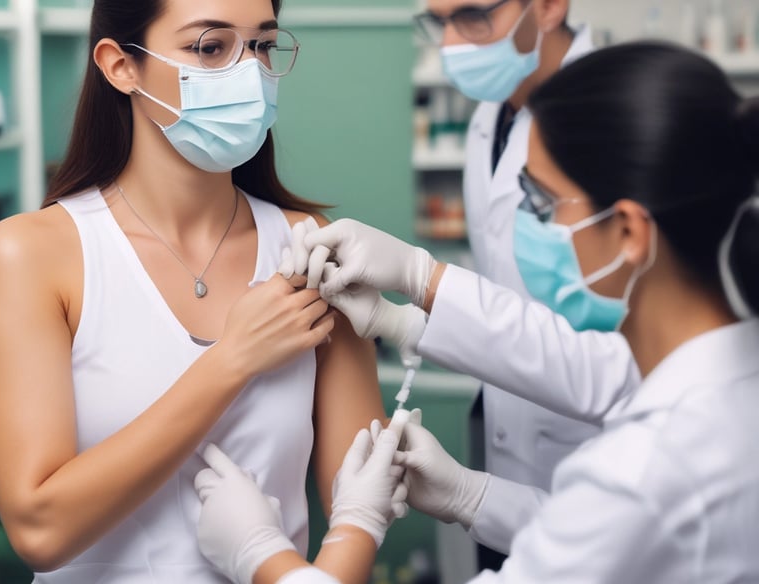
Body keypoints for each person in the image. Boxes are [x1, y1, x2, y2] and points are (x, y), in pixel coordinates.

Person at [194, 41, 759, 582]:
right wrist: (470, 493)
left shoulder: (646, 468)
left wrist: (266, 557)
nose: (526, 227)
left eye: (540, 204)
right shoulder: (730, 384)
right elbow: (622, 534)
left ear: (631, 231)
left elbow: (617, 525)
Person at [0, 0, 387, 582]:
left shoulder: (308, 246)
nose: (248, 72)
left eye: (262, 46)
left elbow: (360, 498)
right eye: (210, 47)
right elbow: (40, 531)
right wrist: (231, 362)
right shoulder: (32, 254)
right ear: (120, 65)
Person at [415, 1, 631, 568]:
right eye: (439, 22)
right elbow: (507, 288)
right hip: (509, 452)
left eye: (473, 15)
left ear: (550, 6)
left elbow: (622, 350)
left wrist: (425, 287)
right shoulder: (492, 114)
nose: (453, 42)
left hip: (592, 445)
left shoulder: (617, 112)